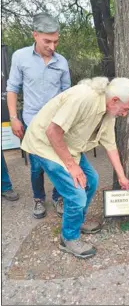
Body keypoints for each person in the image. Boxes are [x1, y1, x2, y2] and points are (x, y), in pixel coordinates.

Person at [21, 77, 129, 258]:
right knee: (76, 193)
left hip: (68, 146)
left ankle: (76, 222)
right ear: (115, 100)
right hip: (44, 144)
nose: (125, 114)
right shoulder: (84, 97)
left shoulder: (109, 112)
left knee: (91, 180)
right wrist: (71, 166)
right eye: (125, 109)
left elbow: (111, 146)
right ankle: (68, 238)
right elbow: (52, 131)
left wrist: (122, 176)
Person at [6, 12, 71, 219]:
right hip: (32, 121)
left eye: (56, 41)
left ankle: (58, 197)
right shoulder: (20, 57)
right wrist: (14, 118)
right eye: (47, 41)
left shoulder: (62, 62)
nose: (52, 47)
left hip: (57, 122)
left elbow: (67, 93)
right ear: (35, 35)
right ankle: (38, 199)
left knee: (61, 162)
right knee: (36, 166)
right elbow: (12, 88)